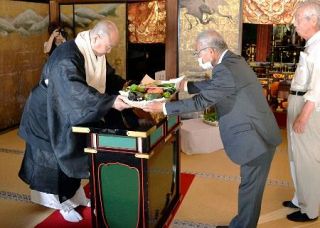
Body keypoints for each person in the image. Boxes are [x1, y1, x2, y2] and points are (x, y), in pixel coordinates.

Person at [141, 29, 282, 228]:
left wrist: (164, 107)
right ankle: (240, 224)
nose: (198, 57)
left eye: (199, 52)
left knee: (250, 190)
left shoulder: (224, 68)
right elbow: (216, 85)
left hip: (255, 139)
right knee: (249, 188)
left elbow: (202, 102)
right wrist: (186, 86)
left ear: (211, 51)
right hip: (260, 131)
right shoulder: (233, 60)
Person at [18, 19, 133, 222]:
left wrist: (125, 86)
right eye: (108, 46)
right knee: (55, 158)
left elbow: (108, 77)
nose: (108, 50)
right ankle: (61, 203)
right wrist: (111, 103)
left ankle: (75, 195)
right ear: (97, 36)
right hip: (47, 114)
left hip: (65, 110)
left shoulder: (92, 50)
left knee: (75, 151)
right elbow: (75, 92)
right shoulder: (67, 58)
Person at [284, 1, 320, 222]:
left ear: (313, 20)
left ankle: (310, 209)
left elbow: (319, 87)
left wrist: (304, 115)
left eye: (299, 19)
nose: (295, 23)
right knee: (295, 155)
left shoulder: (319, 47)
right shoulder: (311, 45)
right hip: (298, 101)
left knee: (307, 158)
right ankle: (300, 198)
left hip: (308, 107)